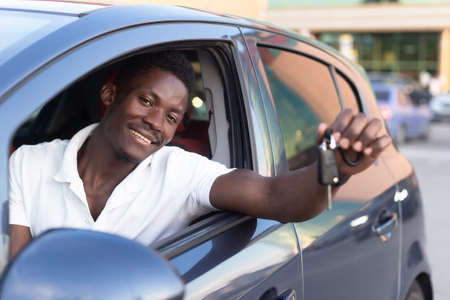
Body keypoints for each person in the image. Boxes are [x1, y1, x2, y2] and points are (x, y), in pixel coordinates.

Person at [8, 51, 391, 259]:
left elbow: (276, 197)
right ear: (109, 96)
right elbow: (17, 273)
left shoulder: (180, 172)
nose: (157, 122)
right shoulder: (29, 162)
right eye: (146, 101)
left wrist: (335, 169)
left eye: (172, 116)